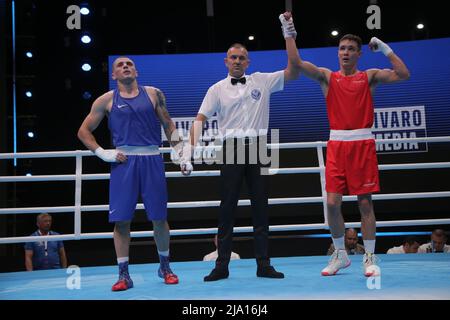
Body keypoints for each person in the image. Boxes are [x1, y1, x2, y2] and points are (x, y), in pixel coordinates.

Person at [281, 12, 410, 276]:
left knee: (365, 203)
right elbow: (295, 62)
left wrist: (384, 48)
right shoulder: (327, 77)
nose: (346, 53)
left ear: (359, 54)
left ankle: (370, 258)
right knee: (331, 203)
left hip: (362, 143)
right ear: (337, 53)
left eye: (351, 49)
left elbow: (404, 74)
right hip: (337, 144)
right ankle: (340, 255)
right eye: (342, 48)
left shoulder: (369, 76)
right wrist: (288, 31)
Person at [179, 13, 301, 281]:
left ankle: (264, 265)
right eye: (232, 57)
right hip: (230, 148)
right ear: (226, 61)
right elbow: (199, 120)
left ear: (248, 61)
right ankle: (221, 265)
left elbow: (294, 69)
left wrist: (288, 31)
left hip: (258, 146)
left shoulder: (262, 80)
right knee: (227, 209)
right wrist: (188, 151)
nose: (237, 61)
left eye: (241, 57)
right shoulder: (216, 89)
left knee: (261, 208)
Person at [77, 57, 184, 291]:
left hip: (152, 159)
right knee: (122, 220)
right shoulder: (105, 100)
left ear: (136, 70)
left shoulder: (155, 94)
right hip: (124, 163)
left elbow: (168, 125)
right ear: (114, 75)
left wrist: (182, 155)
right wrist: (102, 152)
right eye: (120, 65)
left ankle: (165, 267)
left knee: (159, 218)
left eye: (129, 64)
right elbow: (83, 131)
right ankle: (123, 275)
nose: (125, 66)